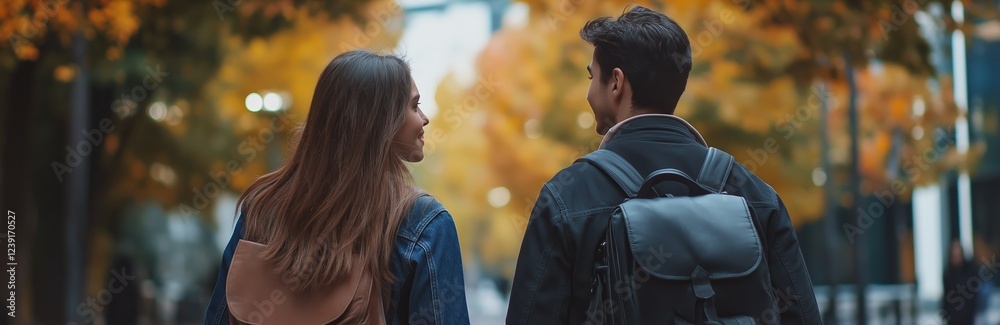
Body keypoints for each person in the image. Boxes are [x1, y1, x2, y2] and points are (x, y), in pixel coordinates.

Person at [506, 6, 821, 324]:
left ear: (616, 83)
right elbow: (802, 316)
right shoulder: (754, 194)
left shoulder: (567, 196)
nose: (589, 91)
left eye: (592, 77)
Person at [203, 50, 470, 324]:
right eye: (414, 106)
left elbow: (219, 317)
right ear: (380, 121)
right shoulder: (423, 223)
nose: (424, 119)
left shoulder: (262, 206)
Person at [942, 239, 979, 325]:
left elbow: (973, 294)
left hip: (967, 316)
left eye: (958, 255)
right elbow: (946, 296)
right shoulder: (948, 273)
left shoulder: (969, 271)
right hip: (952, 316)